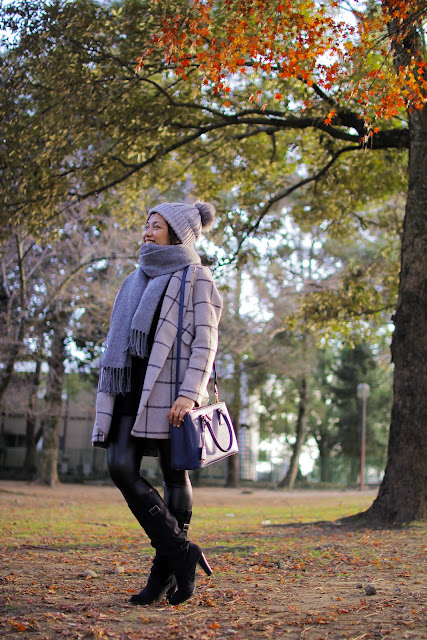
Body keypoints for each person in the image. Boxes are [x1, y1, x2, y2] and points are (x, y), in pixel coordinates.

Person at [92, 201, 223, 606]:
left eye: (157, 226)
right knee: (120, 467)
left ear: (179, 234)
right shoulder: (134, 280)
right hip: (130, 388)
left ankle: (163, 573)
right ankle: (182, 553)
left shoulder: (197, 277)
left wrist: (189, 393)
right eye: (146, 226)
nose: (147, 233)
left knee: (172, 475)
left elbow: (207, 340)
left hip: (172, 394)